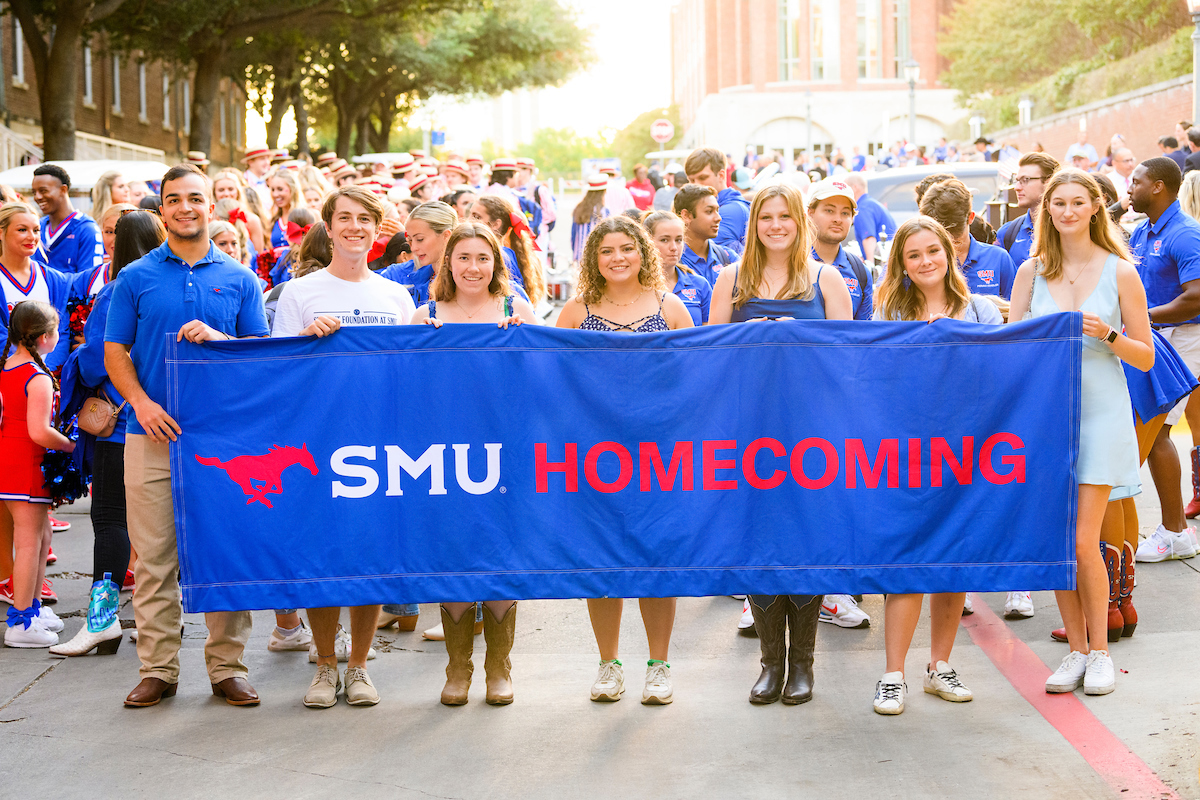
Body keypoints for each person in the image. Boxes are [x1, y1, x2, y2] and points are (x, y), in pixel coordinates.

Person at [104, 164, 269, 709]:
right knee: (153, 558)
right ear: (162, 211)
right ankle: (158, 668)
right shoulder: (134, 279)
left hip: (224, 443)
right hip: (150, 436)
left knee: (224, 550)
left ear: (211, 206)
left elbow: (258, 363)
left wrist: (222, 339)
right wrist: (141, 403)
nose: (185, 208)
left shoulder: (242, 280)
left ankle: (227, 667)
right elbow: (115, 354)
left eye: (195, 198)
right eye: (173, 200)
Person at [1009, 168, 1154, 697]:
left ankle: (1100, 653)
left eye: (1078, 202)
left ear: (1095, 207)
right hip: (1045, 421)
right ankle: (1074, 648)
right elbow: (1010, 347)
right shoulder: (1030, 270)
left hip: (1100, 413)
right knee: (1055, 540)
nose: (1068, 211)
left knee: (1080, 539)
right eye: (1059, 203)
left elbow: (1145, 357)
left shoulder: (1121, 272)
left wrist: (1108, 333)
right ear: (1047, 210)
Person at [272, 186, 417, 709]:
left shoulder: (397, 298)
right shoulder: (299, 294)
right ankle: (324, 665)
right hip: (319, 442)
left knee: (370, 553)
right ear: (328, 228)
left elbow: (410, 375)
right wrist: (307, 340)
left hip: (380, 444)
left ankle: (358, 665)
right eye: (345, 219)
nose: (355, 227)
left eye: (365, 220)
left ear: (377, 231)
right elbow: (279, 373)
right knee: (322, 554)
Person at [708, 181, 851, 706]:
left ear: (800, 222)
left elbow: (848, 360)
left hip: (812, 432)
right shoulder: (730, 278)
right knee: (760, 540)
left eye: (784, 217)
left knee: (805, 539)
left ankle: (803, 665)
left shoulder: (826, 278)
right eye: (765, 217)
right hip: (749, 431)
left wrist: (800, 338)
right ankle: (770, 663)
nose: (775, 226)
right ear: (753, 224)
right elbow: (712, 357)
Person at [870, 216, 1003, 715]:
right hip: (905, 453)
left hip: (966, 454)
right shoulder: (887, 313)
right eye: (914, 255)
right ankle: (892, 674)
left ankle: (939, 666)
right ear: (901, 265)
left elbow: (1001, 377)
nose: (926, 261)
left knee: (952, 560)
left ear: (949, 253)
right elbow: (875, 381)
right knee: (906, 562)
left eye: (933, 251)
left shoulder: (982, 309)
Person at [556, 216, 692, 704]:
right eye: (606, 250)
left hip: (659, 456)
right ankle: (608, 664)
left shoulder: (670, 307)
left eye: (626, 248)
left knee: (656, 558)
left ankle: (659, 666)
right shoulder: (576, 311)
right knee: (603, 559)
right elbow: (557, 384)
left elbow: (691, 382)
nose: (617, 257)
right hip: (595, 455)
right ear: (594, 257)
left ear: (643, 253)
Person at [408, 223, 535, 705]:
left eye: (483, 258)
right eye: (463, 258)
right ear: (449, 264)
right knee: (455, 553)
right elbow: (404, 389)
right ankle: (457, 668)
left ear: (496, 264)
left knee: (501, 553)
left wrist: (522, 344)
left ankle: (499, 667)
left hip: (505, 450)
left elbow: (540, 383)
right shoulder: (425, 317)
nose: (473, 267)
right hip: (443, 453)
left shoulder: (516, 310)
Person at [51, 211, 166, 656]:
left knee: (110, 519)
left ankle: (101, 621)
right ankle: (158, 622)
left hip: (120, 428)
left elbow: (100, 361)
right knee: (159, 528)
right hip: (169, 423)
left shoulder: (118, 289)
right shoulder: (169, 288)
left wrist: (78, 354)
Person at [1127, 157, 1200, 538]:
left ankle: (1175, 532)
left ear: (1157, 186)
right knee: (1153, 431)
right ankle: (1173, 531)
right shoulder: (1141, 232)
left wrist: (1145, 317)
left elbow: (1197, 297)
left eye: (1136, 181)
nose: (1129, 188)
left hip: (1183, 335)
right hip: (1153, 334)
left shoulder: (1186, 233)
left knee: (1157, 430)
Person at [1, 300, 73, 647]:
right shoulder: (37, 377)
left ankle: (32, 607)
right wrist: (73, 447)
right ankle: (20, 623)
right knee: (30, 544)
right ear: (44, 338)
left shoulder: (7, 366)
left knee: (42, 539)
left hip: (12, 461)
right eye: (56, 331)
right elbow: (39, 432)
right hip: (26, 464)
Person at [0, 203, 72, 373]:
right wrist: (25, 370)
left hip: (48, 378)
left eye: (36, 230)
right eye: (22, 230)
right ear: (1, 232)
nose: (31, 237)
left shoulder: (53, 279)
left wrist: (46, 372)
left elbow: (62, 332)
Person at [919, 178, 1015, 300]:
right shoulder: (920, 265)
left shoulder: (998, 258)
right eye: (940, 236)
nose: (950, 243)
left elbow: (1016, 312)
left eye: (956, 237)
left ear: (971, 218)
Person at [807, 178, 874, 322]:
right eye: (829, 210)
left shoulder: (860, 272)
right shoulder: (789, 263)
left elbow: (863, 334)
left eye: (845, 213)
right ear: (810, 213)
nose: (838, 219)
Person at [379, 201, 457, 307]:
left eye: (420, 239)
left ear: (446, 236)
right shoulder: (398, 273)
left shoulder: (466, 278)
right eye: (410, 241)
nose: (413, 248)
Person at [469, 194, 544, 304]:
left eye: (476, 217)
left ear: (495, 224)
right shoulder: (505, 253)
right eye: (470, 214)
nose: (468, 220)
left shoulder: (501, 257)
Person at [31, 164, 105, 275]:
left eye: (43, 191)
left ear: (63, 189)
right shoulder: (36, 227)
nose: (37, 197)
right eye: (34, 192)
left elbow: (89, 281)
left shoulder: (87, 229)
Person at [642, 210, 711, 325]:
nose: (674, 247)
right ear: (647, 242)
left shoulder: (699, 284)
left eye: (679, 240)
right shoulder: (636, 286)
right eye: (664, 240)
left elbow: (709, 333)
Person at [997, 153, 1060, 272]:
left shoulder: (1067, 230)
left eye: (1025, 180)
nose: (1017, 187)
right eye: (1017, 181)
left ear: (1049, 182)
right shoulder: (1008, 233)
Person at [684, 147, 750, 255]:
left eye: (702, 178)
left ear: (721, 175)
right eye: (691, 180)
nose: (696, 185)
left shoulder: (730, 211)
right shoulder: (727, 205)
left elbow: (709, 260)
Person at [674, 184, 732, 286]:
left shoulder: (727, 256)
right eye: (709, 211)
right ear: (686, 216)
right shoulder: (671, 261)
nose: (718, 218)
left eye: (717, 210)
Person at [844, 173, 896, 267]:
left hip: (883, 262)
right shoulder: (871, 203)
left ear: (854, 187)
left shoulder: (863, 208)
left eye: (846, 188)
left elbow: (869, 238)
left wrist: (870, 266)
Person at [213, 169, 267, 253]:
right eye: (221, 190)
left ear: (238, 192)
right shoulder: (209, 219)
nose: (226, 194)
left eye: (231, 189)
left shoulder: (252, 219)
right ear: (214, 193)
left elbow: (259, 255)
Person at [570, 175, 611, 265]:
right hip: (598, 256)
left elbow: (573, 235)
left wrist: (575, 252)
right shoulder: (604, 211)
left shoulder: (579, 208)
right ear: (603, 192)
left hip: (580, 255)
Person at [267, 168, 307, 248]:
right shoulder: (273, 220)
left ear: (293, 189)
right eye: (273, 190)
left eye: (280, 189)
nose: (275, 194)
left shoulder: (305, 216)